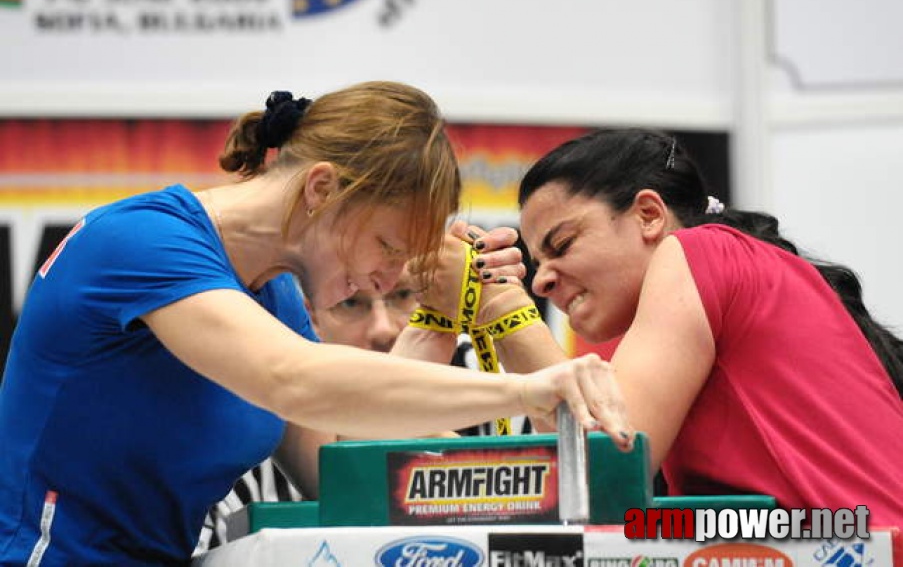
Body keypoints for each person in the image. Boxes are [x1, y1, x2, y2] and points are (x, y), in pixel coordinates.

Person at [0, 81, 633, 565]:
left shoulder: (271, 293)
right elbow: (295, 379)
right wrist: (527, 391)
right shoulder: (143, 241)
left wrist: (455, 312)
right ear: (322, 187)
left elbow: (343, 453)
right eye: (387, 245)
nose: (390, 279)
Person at [480, 127, 903, 524]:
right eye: (537, 263)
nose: (541, 280)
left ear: (648, 214)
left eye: (563, 244)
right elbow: (574, 469)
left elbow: (606, 472)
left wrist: (506, 309)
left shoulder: (700, 251)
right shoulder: (694, 300)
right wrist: (501, 311)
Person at [197, 267, 533, 552]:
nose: (383, 329)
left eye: (402, 295)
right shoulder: (255, 432)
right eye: (351, 303)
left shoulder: (486, 372)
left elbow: (577, 506)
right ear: (307, 316)